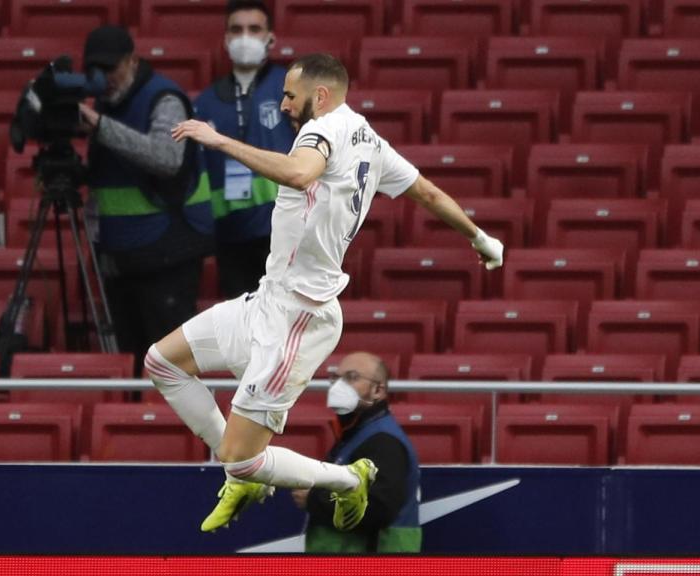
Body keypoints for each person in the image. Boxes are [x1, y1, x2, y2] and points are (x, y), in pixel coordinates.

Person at [151, 53, 503, 533]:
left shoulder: (324, 130)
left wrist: (218, 140)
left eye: (291, 95)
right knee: (162, 362)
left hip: (299, 315)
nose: (284, 103)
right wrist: (480, 238)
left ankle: (345, 479)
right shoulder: (373, 143)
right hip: (266, 299)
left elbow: (299, 173)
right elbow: (430, 195)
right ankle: (242, 472)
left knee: (241, 455)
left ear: (320, 95)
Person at [77, 25, 214, 367]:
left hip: (167, 255)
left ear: (133, 61)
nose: (104, 77)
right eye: (96, 69)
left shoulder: (164, 98)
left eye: (111, 68)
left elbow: (167, 158)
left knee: (170, 366)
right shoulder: (106, 104)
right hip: (121, 258)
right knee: (130, 361)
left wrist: (101, 128)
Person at [195, 0, 295, 298]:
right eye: (237, 30)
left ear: (271, 38)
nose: (245, 37)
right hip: (230, 237)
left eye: (254, 29)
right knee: (242, 331)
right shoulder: (206, 101)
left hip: (284, 232)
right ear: (226, 40)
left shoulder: (290, 87)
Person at [291, 352, 421, 552]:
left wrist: (315, 500)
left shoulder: (384, 442)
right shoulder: (355, 434)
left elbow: (378, 509)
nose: (339, 386)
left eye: (351, 378)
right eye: (336, 378)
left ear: (378, 390)